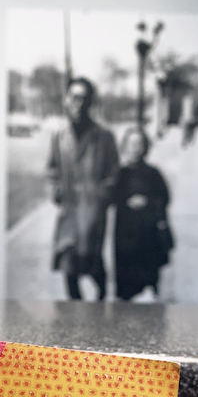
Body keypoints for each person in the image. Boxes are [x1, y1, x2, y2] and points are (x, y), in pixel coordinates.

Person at [48, 77, 119, 301]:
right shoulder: (59, 136)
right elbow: (52, 167)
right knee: (68, 263)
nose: (78, 103)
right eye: (74, 97)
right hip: (69, 210)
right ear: (66, 100)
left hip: (92, 210)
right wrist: (57, 189)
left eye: (83, 98)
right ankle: (75, 313)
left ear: (91, 102)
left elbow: (114, 172)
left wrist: (101, 196)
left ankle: (100, 305)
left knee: (92, 262)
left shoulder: (104, 136)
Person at [114, 127, 173, 301]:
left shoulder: (153, 174)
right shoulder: (120, 173)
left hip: (147, 235)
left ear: (145, 147)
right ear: (125, 147)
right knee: (126, 288)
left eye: (139, 144)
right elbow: (110, 196)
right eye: (131, 144)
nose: (135, 148)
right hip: (125, 236)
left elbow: (165, 197)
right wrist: (125, 200)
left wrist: (147, 201)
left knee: (148, 284)